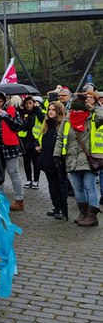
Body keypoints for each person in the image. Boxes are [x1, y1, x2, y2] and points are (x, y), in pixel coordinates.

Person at [54, 95, 103, 227]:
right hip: (71, 158)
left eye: (78, 110)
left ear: (84, 109)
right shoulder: (67, 120)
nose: (75, 112)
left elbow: (102, 117)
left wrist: (95, 106)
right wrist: (57, 154)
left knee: (90, 187)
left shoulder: (92, 118)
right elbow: (60, 138)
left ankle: (92, 216)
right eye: (73, 110)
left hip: (88, 159)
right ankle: (84, 212)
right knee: (78, 188)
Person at [0, 91, 25, 211]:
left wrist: (6, 116)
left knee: (14, 173)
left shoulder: (12, 111)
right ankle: (0, 201)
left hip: (10, 148)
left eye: (0, 101)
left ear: (4, 102)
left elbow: (19, 126)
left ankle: (19, 200)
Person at [38, 101, 69, 220]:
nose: (50, 112)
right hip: (46, 159)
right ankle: (56, 207)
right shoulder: (47, 125)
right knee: (52, 185)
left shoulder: (60, 126)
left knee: (59, 185)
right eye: (49, 109)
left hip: (57, 160)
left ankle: (62, 208)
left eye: (53, 110)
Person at [19, 96, 45, 189]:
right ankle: (28, 179)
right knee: (26, 161)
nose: (28, 105)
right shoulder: (23, 113)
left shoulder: (39, 112)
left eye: (30, 103)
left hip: (35, 140)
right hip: (25, 140)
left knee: (36, 162)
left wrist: (37, 107)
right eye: (26, 103)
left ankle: (36, 180)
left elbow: (42, 119)